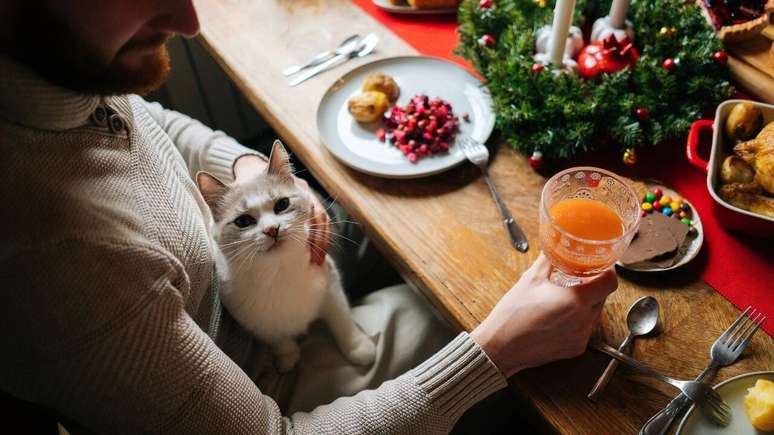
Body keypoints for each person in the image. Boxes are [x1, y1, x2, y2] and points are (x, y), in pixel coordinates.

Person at [0, 1, 618, 434]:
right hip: (265, 381)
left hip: (242, 267)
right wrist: (496, 352)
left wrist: (246, 172)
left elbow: (151, 120)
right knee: (466, 302)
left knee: (412, 209)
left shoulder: (63, 73)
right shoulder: (53, 259)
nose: (188, 21)